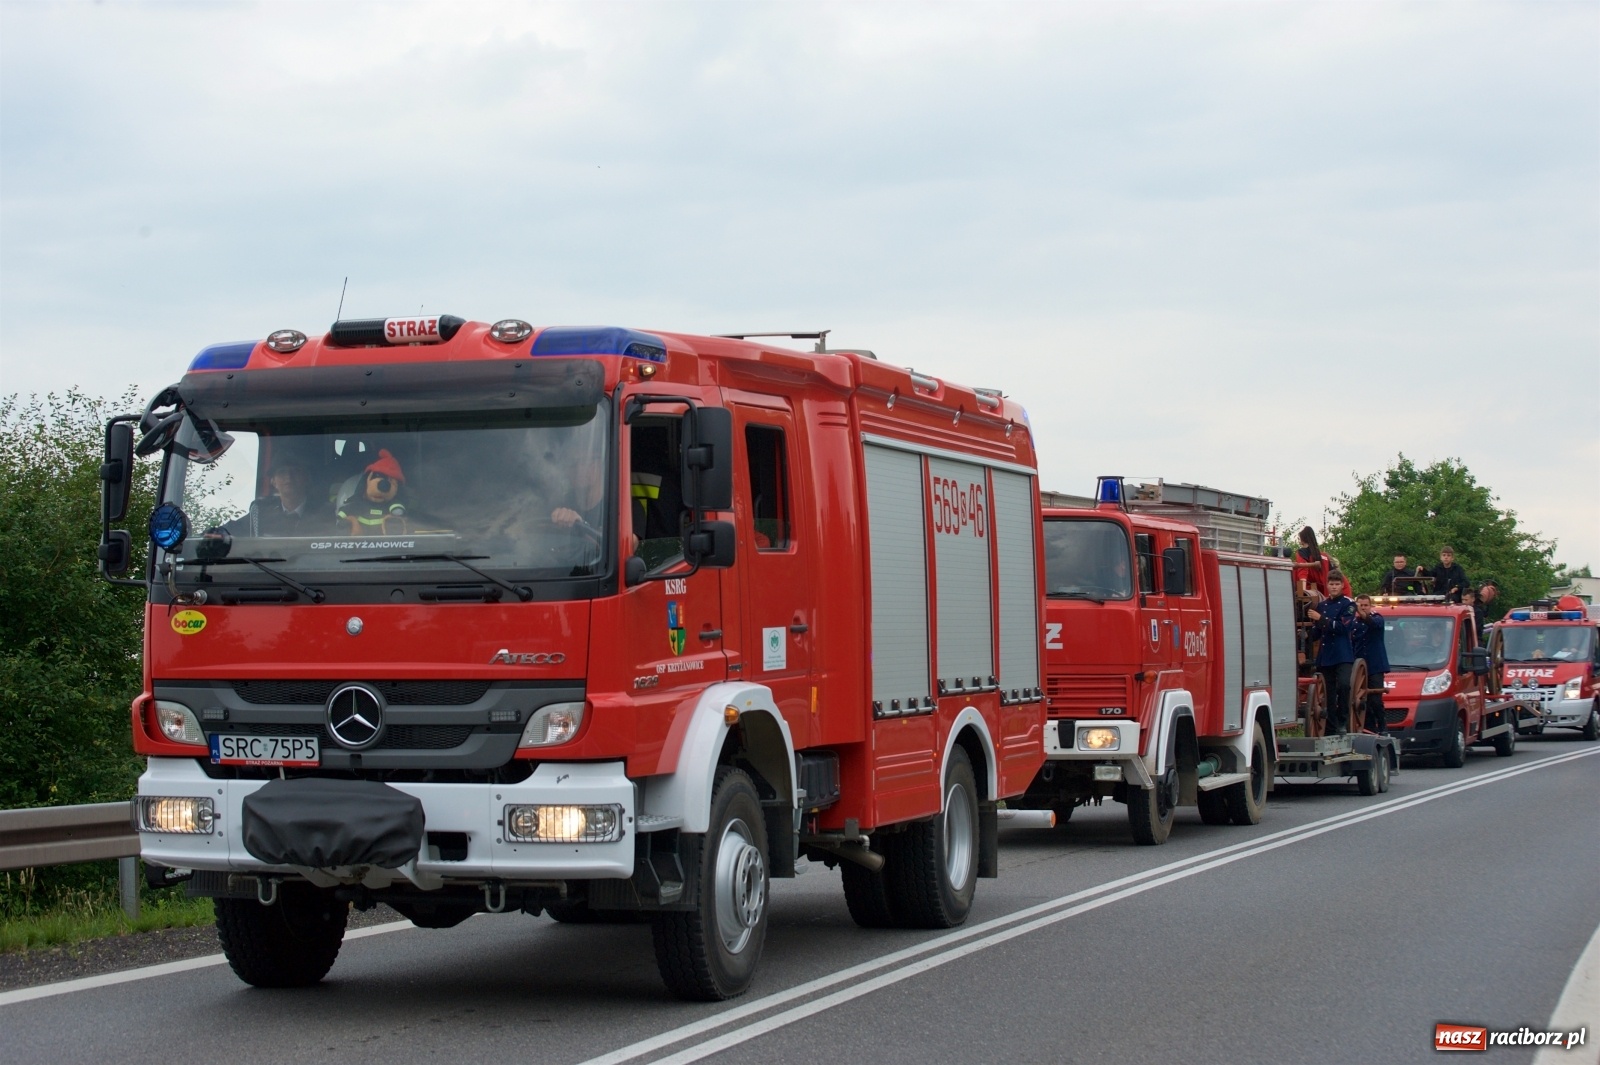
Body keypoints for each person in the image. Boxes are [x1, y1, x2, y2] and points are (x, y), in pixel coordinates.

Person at [220, 450, 317, 537]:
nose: (289, 477)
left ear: (306, 479)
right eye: (282, 472)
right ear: (273, 482)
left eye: (295, 472)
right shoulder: (261, 512)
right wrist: (218, 533)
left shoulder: (326, 512)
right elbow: (232, 529)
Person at [1307, 570, 1357, 734]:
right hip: (1326, 655)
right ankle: (1331, 726)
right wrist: (1305, 634)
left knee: (1343, 686)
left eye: (1337, 584)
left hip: (1342, 654)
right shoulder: (1322, 606)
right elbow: (1318, 632)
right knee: (1328, 692)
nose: (1334, 587)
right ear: (1327, 586)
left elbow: (1343, 627)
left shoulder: (1348, 604)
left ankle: (1343, 721)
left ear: (1342, 586)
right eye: (1331, 584)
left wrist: (1320, 619)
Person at [1351, 594, 1390, 733]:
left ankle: (1383, 726)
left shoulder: (1377, 618)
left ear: (1370, 606)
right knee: (1361, 701)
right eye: (1360, 606)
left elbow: (1374, 624)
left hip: (1375, 666)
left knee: (1375, 700)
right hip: (1359, 668)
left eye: (1365, 605)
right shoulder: (1353, 623)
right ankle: (1369, 728)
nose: (1363, 608)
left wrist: (1364, 616)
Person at [1293, 526, 1330, 598]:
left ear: (1303, 540)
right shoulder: (1324, 557)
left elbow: (1302, 572)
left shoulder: (1302, 553)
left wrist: (1303, 592)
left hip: (1310, 593)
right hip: (1324, 593)